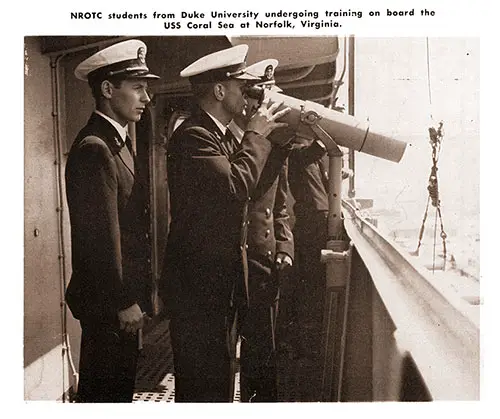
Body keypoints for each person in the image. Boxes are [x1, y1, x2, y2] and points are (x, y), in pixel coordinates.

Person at [159, 45, 291, 402]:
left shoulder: (214, 134)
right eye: (239, 85)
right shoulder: (194, 136)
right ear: (220, 91)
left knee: (216, 380)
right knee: (204, 386)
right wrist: (258, 134)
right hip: (197, 291)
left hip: (213, 286)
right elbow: (236, 187)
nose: (244, 93)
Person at [64, 39, 159, 402]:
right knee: (104, 395)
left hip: (118, 302)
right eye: (137, 88)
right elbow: (99, 239)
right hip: (108, 305)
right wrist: (123, 301)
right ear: (107, 89)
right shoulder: (95, 148)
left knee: (116, 393)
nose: (146, 98)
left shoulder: (117, 142)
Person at [227, 58, 294, 402]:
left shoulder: (274, 148)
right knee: (224, 355)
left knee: (261, 353)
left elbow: (279, 206)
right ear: (246, 104)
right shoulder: (228, 145)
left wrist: (284, 246)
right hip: (231, 262)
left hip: (263, 264)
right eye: (260, 102)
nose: (266, 110)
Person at [286, 137, 330, 355]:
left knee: (312, 286)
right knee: (309, 286)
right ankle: (304, 345)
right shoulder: (294, 152)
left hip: (317, 225)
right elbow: (314, 150)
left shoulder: (307, 157)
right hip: (310, 227)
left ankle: (306, 343)